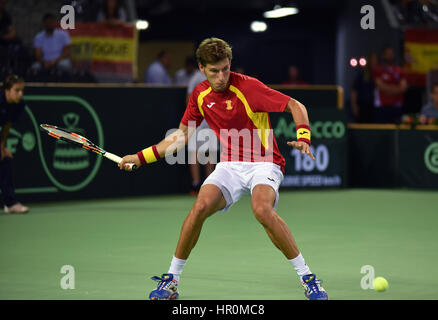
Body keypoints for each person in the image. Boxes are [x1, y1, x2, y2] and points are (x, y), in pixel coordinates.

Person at [119, 37, 328, 300]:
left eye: (225, 69)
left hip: (265, 162)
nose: (221, 77)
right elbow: (181, 136)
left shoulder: (249, 87)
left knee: (262, 209)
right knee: (200, 207)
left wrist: (304, 136)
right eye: (214, 71)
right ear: (202, 68)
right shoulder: (200, 95)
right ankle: (171, 280)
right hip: (229, 164)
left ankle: (309, 278)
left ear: (230, 65)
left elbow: (295, 105)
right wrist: (139, 157)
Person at [185, 68, 217, 195]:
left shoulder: (216, 77)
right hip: (197, 121)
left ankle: (210, 184)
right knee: (195, 151)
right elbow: (188, 99)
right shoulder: (196, 78)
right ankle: (196, 184)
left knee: (210, 151)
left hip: (212, 121)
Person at [0, 75, 29, 214]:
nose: (20, 94)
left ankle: (10, 203)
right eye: (17, 90)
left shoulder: (19, 104)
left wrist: (2, 146)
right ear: (6, 90)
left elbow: (7, 124)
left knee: (6, 158)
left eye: (22, 90)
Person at [372, 46, 408, 123]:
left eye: (391, 54)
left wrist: (387, 88)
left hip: (397, 107)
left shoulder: (399, 71)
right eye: (388, 54)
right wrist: (396, 88)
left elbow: (403, 88)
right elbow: (380, 86)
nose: (390, 56)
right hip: (381, 107)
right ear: (383, 55)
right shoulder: (378, 70)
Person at [351, 53, 378, 123]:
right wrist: (354, 105)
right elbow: (354, 91)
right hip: (362, 106)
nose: (374, 62)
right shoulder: (362, 75)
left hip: (374, 107)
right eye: (372, 60)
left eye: (375, 61)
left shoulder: (378, 75)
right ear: (369, 61)